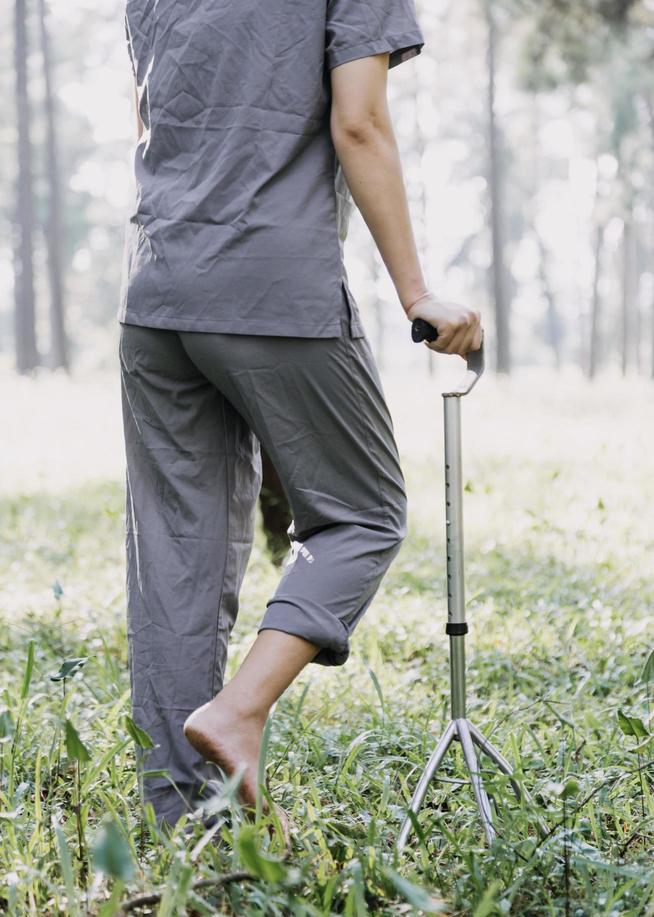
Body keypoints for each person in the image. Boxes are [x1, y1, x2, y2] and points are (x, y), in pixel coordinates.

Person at [118, 0, 482, 829]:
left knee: (176, 556)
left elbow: (151, 118)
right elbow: (359, 124)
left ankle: (186, 827)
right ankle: (237, 710)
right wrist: (418, 293)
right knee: (364, 514)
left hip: (157, 289)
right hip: (272, 286)